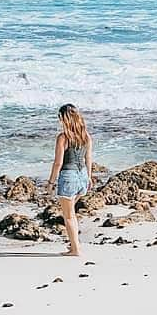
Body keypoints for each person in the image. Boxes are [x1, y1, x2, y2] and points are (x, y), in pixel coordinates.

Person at [46, 103, 93, 256]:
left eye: (60, 118)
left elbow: (58, 163)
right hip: (82, 177)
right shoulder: (86, 136)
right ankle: (74, 245)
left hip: (68, 177)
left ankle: (75, 249)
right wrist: (89, 178)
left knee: (69, 216)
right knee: (72, 213)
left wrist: (51, 183)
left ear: (64, 119)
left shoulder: (63, 137)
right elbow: (88, 159)